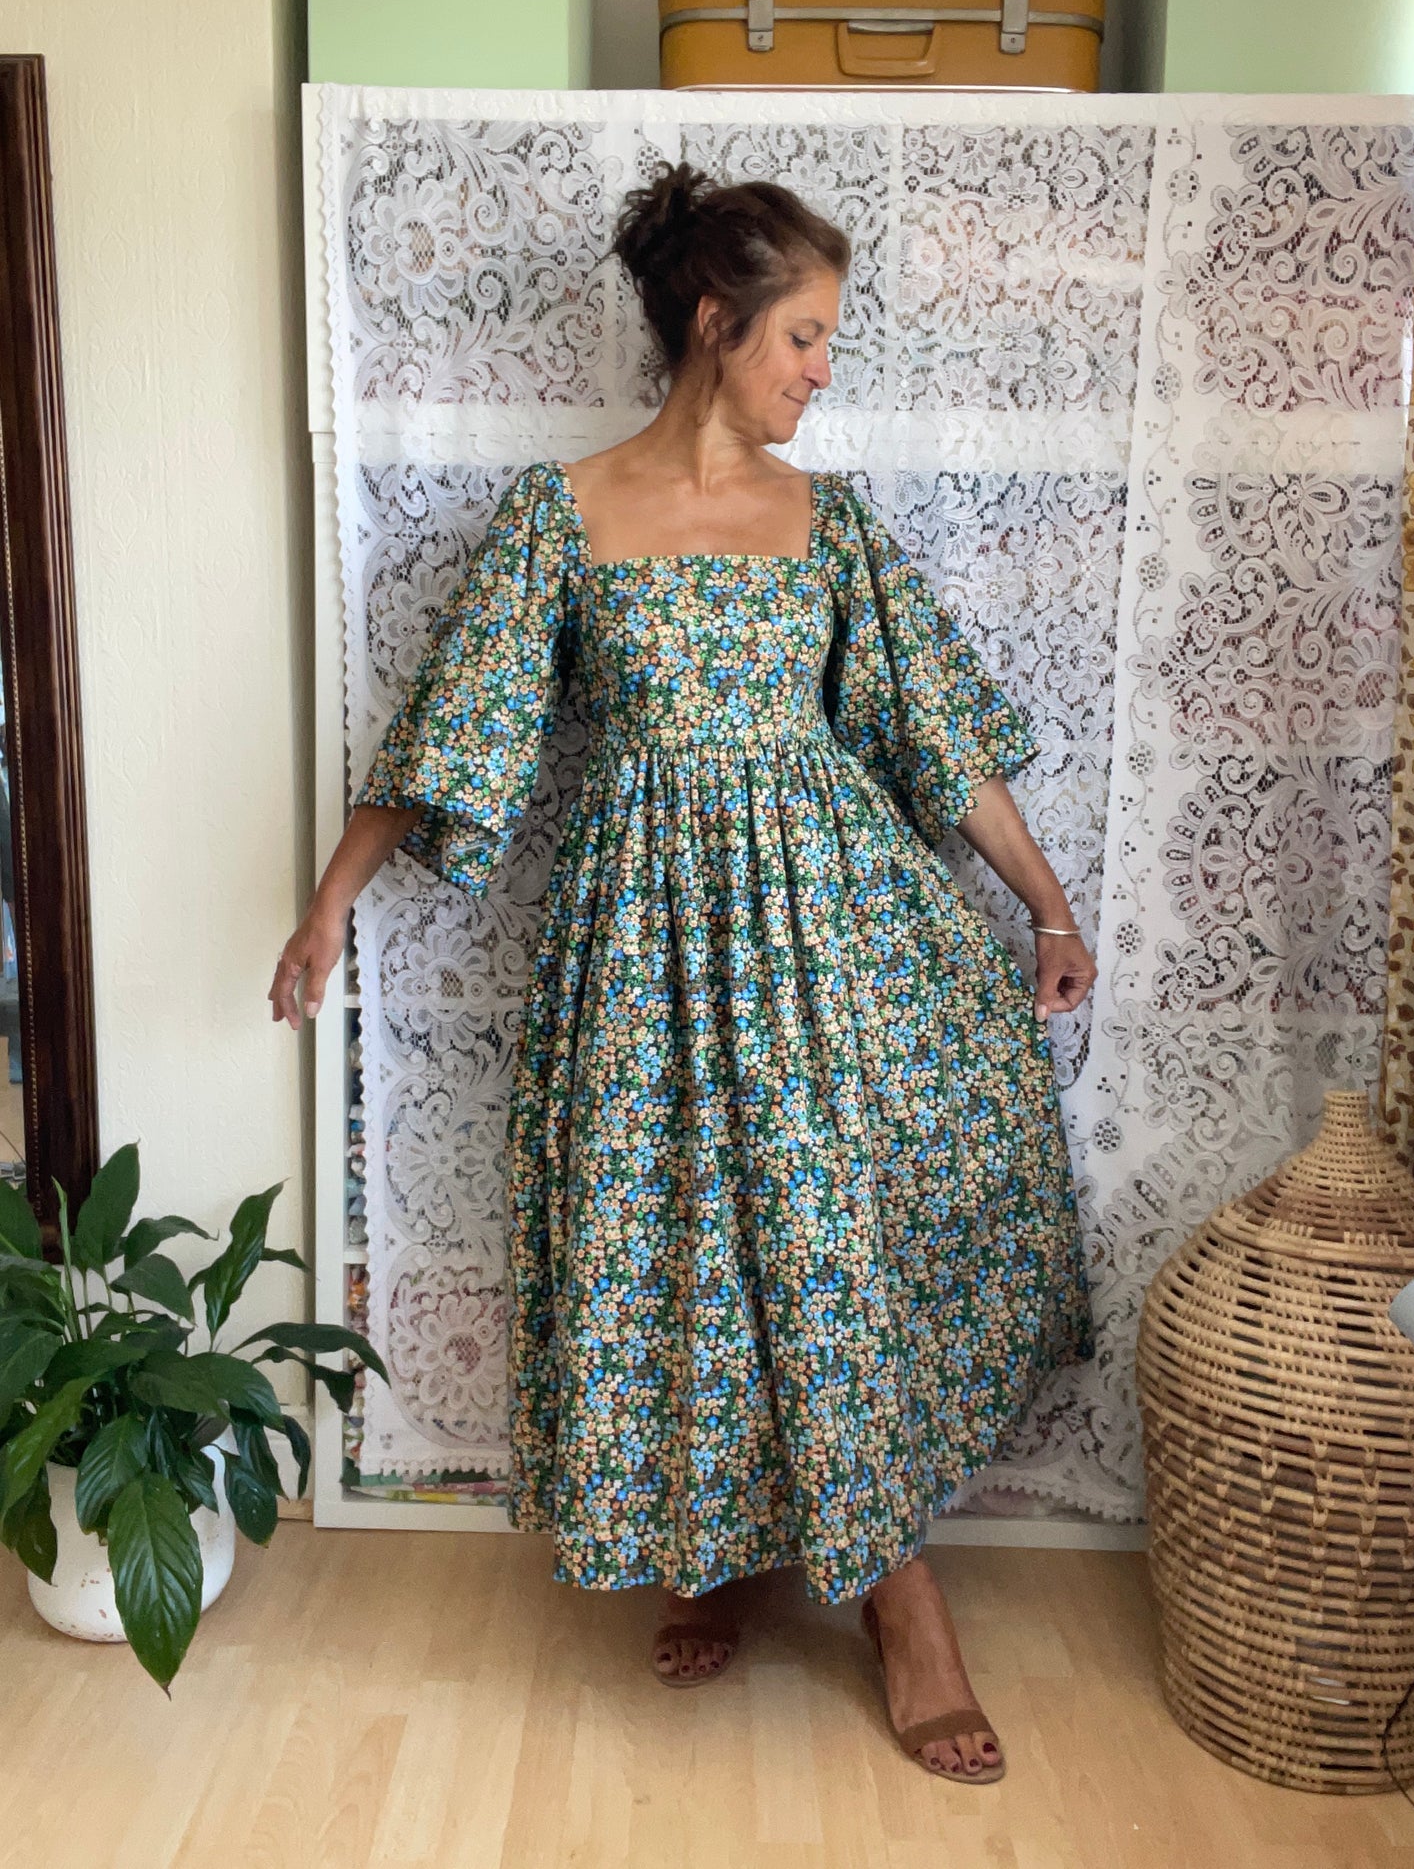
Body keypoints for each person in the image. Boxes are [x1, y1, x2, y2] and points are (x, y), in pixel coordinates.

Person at [270, 160, 1097, 1786]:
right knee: (673, 1246)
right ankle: (705, 1543)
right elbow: (455, 732)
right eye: (802, 335)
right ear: (715, 323)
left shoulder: (825, 522)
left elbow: (936, 736)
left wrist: (1050, 913)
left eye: (827, 340)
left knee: (826, 1244)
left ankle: (902, 1601)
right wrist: (327, 908)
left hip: (828, 946)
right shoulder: (561, 515)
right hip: (640, 956)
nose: (821, 369)